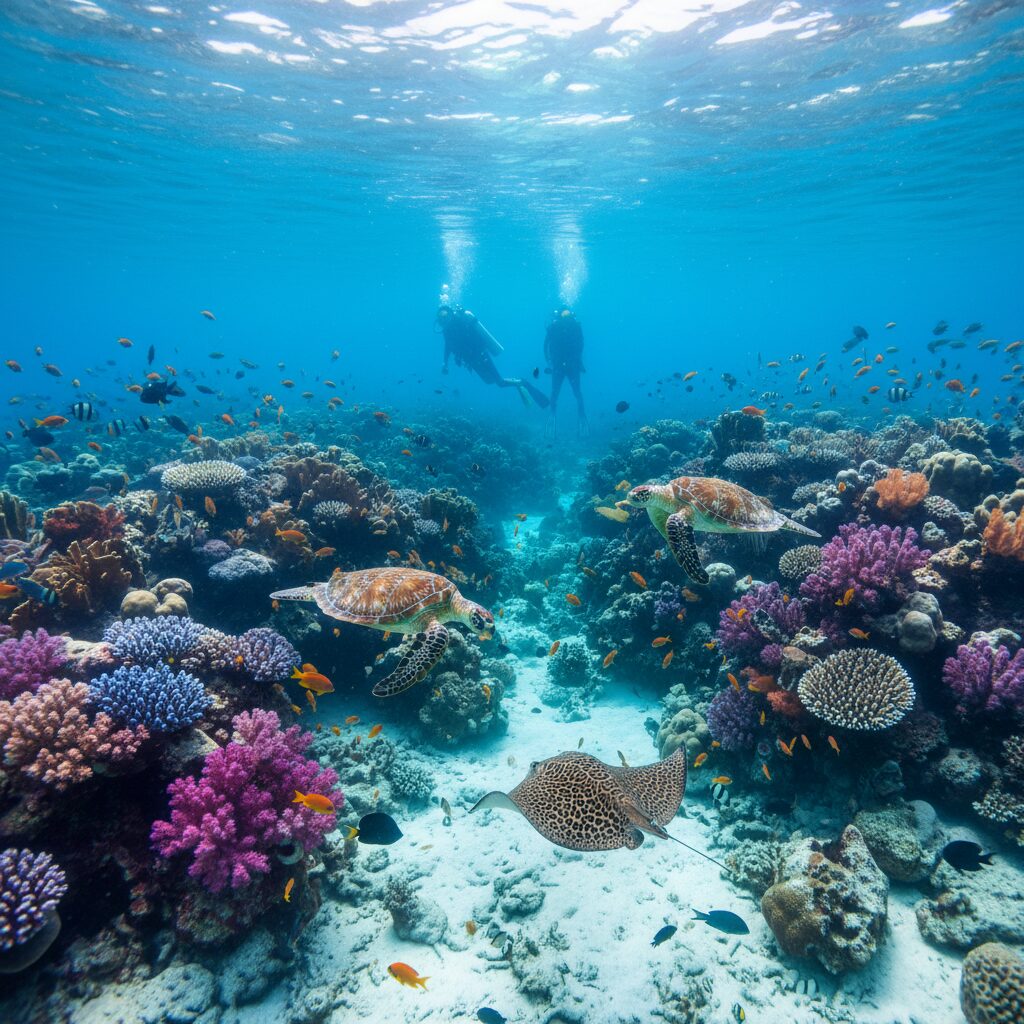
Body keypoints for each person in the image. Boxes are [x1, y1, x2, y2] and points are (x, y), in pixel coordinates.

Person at [436, 304, 549, 407]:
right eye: (441, 317)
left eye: (445, 316)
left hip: (481, 355)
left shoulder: (461, 323)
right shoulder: (447, 331)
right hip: (471, 361)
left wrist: (464, 354)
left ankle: (522, 383)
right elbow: (448, 347)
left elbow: (470, 341)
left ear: (450, 314)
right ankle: (518, 382)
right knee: (489, 381)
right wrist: (445, 363)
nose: (443, 319)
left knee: (499, 382)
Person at [544, 306, 588, 435]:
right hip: (573, 365)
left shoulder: (553, 326)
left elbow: (545, 346)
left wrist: (549, 362)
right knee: (577, 392)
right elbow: (581, 345)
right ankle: (582, 416)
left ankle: (552, 414)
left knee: (555, 392)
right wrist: (579, 362)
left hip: (558, 365)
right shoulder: (576, 326)